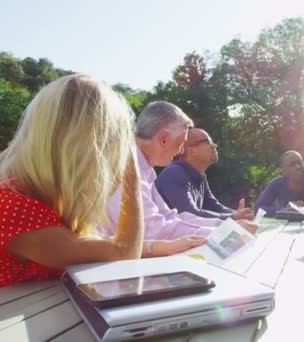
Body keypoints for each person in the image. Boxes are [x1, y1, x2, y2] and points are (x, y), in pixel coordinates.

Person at [0, 75, 199, 288]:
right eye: (111, 140)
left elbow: (102, 245)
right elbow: (123, 253)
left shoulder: (37, 195)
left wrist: (164, 247)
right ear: (81, 144)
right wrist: (130, 166)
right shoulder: (14, 207)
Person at [99, 101, 256, 241]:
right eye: (181, 143)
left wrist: (223, 224)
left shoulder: (143, 168)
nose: (181, 151)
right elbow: (152, 231)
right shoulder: (124, 165)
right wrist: (224, 231)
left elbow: (170, 217)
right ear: (163, 139)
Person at [155, 128, 254, 220]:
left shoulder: (200, 176)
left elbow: (214, 206)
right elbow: (190, 215)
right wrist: (233, 216)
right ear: (191, 149)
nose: (214, 145)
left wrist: (240, 214)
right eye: (208, 142)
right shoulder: (174, 173)